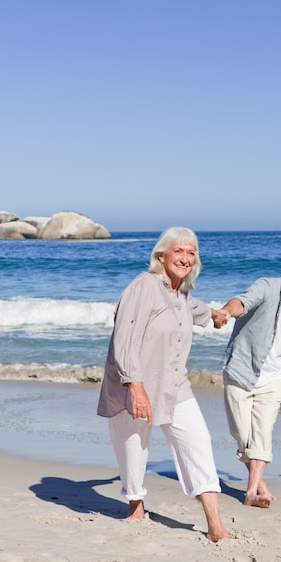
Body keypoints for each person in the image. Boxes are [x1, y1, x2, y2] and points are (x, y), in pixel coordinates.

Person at [97, 227, 230, 542]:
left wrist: (216, 314)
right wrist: (135, 386)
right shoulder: (143, 286)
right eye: (178, 251)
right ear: (161, 255)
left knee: (198, 442)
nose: (185, 258)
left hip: (173, 383)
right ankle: (135, 507)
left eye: (191, 252)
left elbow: (196, 309)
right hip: (134, 382)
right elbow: (124, 340)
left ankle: (215, 526)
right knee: (133, 450)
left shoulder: (180, 294)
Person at [219, 254, 281, 508]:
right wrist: (226, 312)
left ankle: (251, 493)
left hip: (273, 380)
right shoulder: (266, 287)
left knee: (262, 434)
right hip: (241, 370)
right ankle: (260, 483)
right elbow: (242, 302)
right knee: (241, 434)